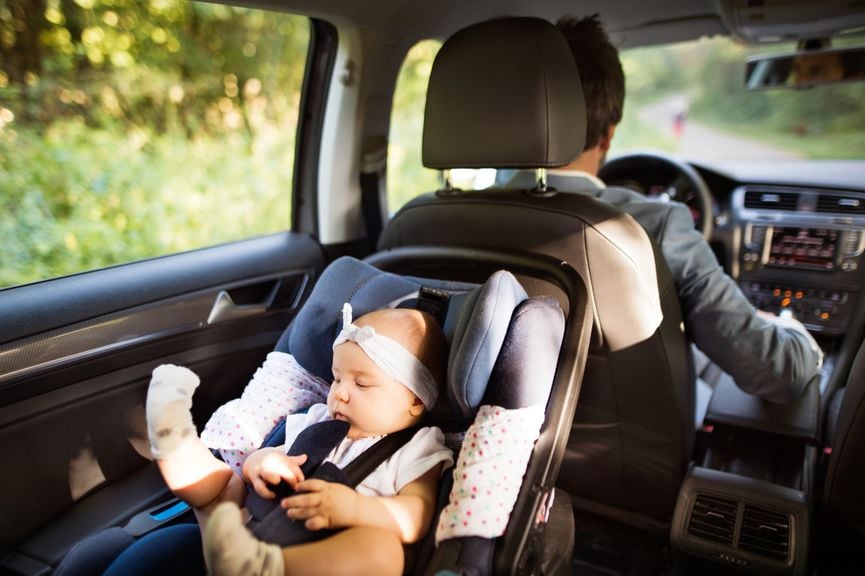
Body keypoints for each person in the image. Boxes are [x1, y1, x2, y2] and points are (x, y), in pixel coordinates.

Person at [505, 15, 822, 413]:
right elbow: (774, 372)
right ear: (608, 134)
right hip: (634, 469)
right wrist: (794, 333)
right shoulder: (655, 226)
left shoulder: (419, 222)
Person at [144, 303, 453, 576]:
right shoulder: (317, 419)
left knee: (383, 552)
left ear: (415, 401)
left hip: (320, 557)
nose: (340, 393)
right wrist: (263, 462)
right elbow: (260, 459)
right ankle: (175, 444)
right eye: (337, 377)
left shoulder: (419, 445)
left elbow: (418, 513)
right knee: (225, 485)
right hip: (247, 533)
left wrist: (355, 509)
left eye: (362, 383)